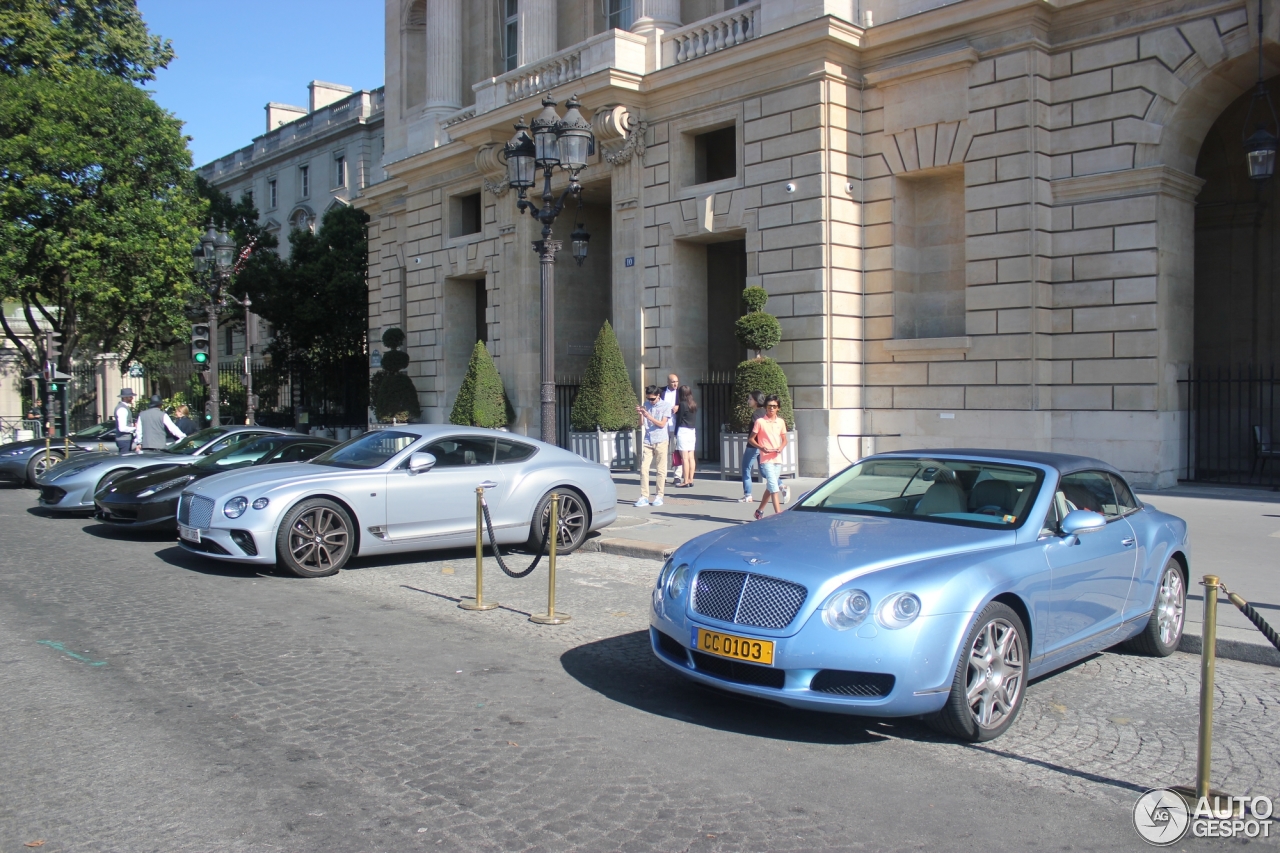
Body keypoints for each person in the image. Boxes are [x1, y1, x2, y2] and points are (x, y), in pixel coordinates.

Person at [750, 395, 788, 520]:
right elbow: (751, 439)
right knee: (774, 487)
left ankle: (759, 511)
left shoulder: (781, 422)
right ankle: (778, 515)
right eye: (769, 406)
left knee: (770, 486)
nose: (771, 408)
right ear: (766, 407)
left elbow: (784, 440)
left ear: (778, 408)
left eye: (774, 406)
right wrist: (761, 448)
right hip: (766, 459)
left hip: (777, 458)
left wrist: (781, 447)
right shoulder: (760, 422)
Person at [634, 385, 672, 507]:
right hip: (648, 440)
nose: (650, 401)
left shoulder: (666, 406)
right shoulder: (646, 404)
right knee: (644, 468)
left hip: (661, 440)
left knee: (660, 470)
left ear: (658, 396)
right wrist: (641, 414)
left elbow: (662, 424)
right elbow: (640, 424)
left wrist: (648, 416)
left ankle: (659, 496)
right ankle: (644, 496)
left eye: (652, 399)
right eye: (648, 398)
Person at [737, 390, 765, 502]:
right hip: (763, 445)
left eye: (750, 399)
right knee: (764, 471)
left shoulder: (756, 414)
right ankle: (781, 486)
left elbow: (755, 431)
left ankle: (748, 495)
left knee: (745, 469)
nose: (748, 401)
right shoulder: (766, 413)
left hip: (753, 446)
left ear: (756, 401)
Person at [674, 385, 698, 487]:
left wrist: (675, 432)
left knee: (684, 458)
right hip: (692, 430)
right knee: (691, 457)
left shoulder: (682, 404)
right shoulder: (693, 404)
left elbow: (679, 420)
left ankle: (685, 480)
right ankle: (691, 479)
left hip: (683, 430)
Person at [659, 373, 680, 483]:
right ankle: (664, 476)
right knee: (663, 451)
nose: (675, 384)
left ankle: (677, 476)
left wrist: (679, 407)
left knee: (676, 451)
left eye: (676, 381)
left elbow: (686, 407)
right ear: (668, 382)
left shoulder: (680, 393)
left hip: (676, 425)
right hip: (663, 426)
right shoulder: (661, 391)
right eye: (673, 382)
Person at [114, 388, 136, 455]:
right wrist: (135, 428)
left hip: (124, 439)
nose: (132, 398)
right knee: (124, 459)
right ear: (125, 397)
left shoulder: (123, 407)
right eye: (130, 396)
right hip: (124, 439)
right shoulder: (122, 409)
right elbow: (122, 428)